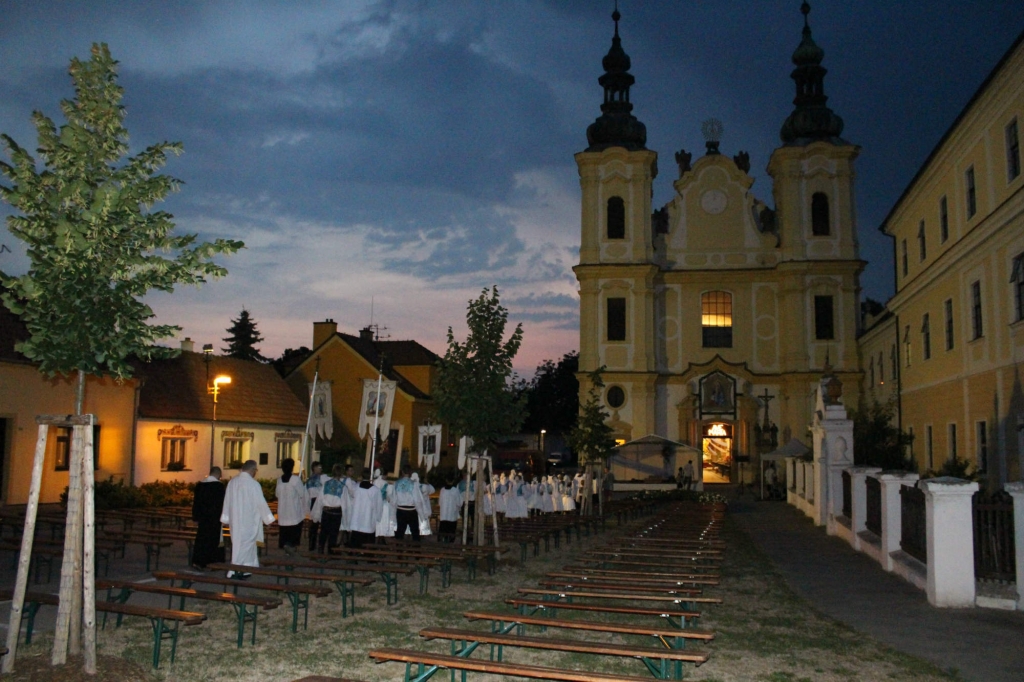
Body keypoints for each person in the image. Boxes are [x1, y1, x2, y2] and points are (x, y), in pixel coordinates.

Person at [220, 460, 276, 579]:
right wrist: (269, 519)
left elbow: (227, 501)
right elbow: (261, 503)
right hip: (248, 521)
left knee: (241, 545)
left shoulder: (232, 482)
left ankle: (245, 569)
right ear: (252, 470)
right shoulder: (254, 484)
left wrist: (226, 517)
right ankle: (234, 570)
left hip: (235, 521)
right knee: (244, 546)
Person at [191, 466, 225, 569]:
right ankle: (213, 561)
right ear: (219, 475)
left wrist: (196, 517)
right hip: (214, 518)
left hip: (203, 518)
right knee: (213, 540)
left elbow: (196, 503)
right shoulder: (219, 487)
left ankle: (199, 561)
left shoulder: (200, 485)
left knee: (202, 538)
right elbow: (222, 503)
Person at [275, 458, 308, 555]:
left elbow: (277, 494)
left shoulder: (279, 480)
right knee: (294, 531)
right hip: (293, 511)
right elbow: (302, 493)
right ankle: (291, 547)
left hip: (283, 511)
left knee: (285, 532)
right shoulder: (295, 480)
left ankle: (286, 547)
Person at [347, 473, 383, 549]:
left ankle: (353, 556)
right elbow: (379, 504)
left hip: (356, 518)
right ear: (371, 478)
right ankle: (369, 557)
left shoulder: (355, 488)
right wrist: (378, 517)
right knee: (368, 540)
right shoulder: (375, 490)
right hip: (368, 518)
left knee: (355, 539)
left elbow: (351, 498)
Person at [318, 464, 346, 553]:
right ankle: (331, 550)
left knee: (324, 531)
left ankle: (321, 548)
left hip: (326, 510)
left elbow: (320, 498)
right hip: (336, 512)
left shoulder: (326, 484)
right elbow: (344, 501)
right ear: (341, 473)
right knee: (334, 532)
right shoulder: (343, 486)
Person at [391, 465, 422, 541]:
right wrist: (421, 513)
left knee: (400, 532)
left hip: (401, 510)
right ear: (410, 473)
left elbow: (394, 499)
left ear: (402, 472)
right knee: (415, 532)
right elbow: (417, 500)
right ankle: (415, 549)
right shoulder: (414, 484)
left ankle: (399, 550)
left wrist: (392, 513)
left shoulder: (397, 483)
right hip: (411, 510)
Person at [305, 461, 328, 551]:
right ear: (314, 468)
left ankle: (313, 545)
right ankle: (316, 545)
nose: (321, 469)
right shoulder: (318, 478)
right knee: (316, 525)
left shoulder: (310, 479)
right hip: (316, 501)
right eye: (319, 467)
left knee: (315, 525)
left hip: (317, 501)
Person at [438, 476, 461, 542]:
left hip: (444, 515)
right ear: (453, 481)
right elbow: (459, 502)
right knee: (451, 532)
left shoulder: (442, 490)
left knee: (443, 531)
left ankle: (442, 542)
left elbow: (440, 502)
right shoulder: (455, 490)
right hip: (452, 515)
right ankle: (450, 543)